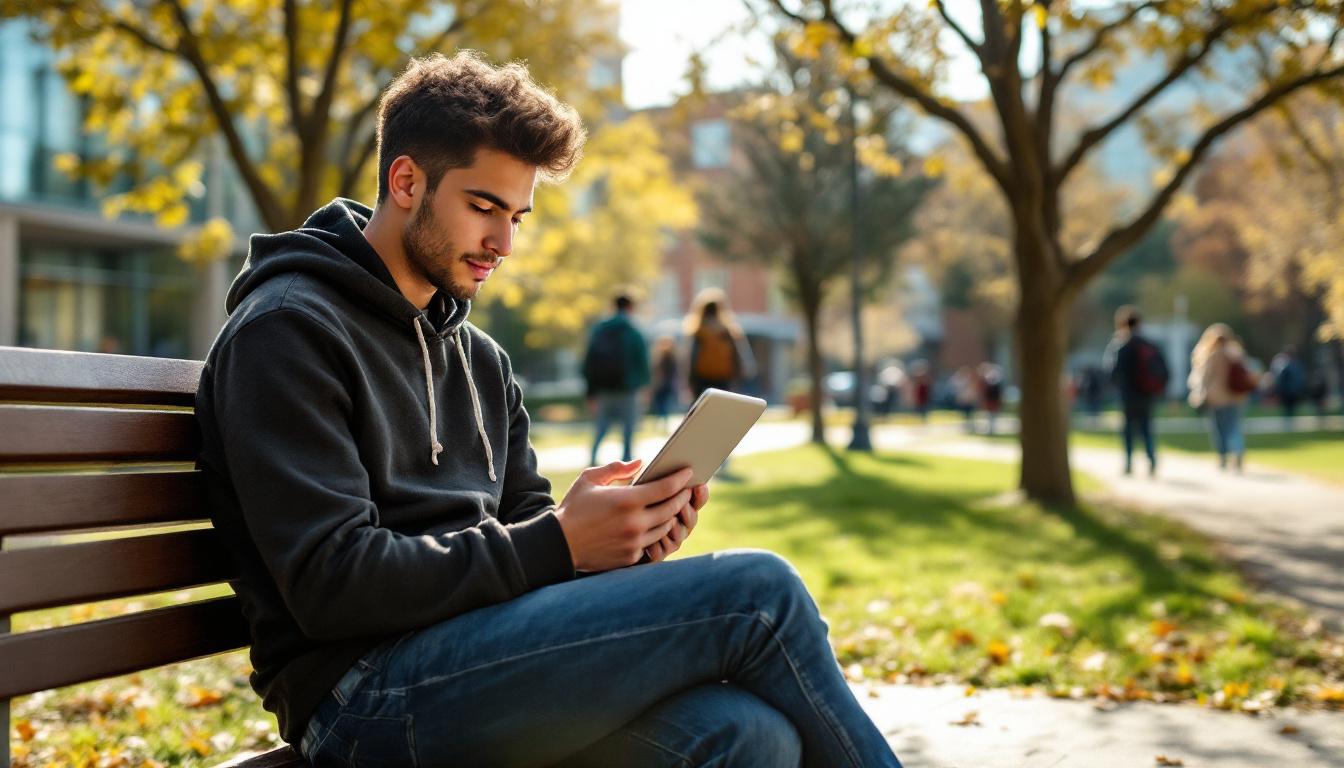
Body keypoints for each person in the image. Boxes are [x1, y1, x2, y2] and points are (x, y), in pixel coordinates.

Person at [193, 52, 901, 768]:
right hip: (362, 698)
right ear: (405, 182)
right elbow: (332, 584)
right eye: (483, 208)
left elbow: (527, 534)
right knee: (757, 593)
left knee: (746, 731)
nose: (503, 244)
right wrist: (561, 541)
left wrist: (618, 543)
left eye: (516, 216)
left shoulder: (481, 360)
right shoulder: (286, 331)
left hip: (478, 663)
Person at [582, 294, 650, 465]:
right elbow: (642, 361)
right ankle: (627, 463)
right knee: (628, 429)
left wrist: (590, 392)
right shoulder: (633, 331)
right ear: (630, 307)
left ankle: (593, 459)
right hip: (628, 389)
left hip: (604, 389)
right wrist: (645, 385)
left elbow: (589, 362)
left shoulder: (600, 330)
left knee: (601, 427)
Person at [1103, 306, 1168, 476]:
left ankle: (1128, 463)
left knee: (1128, 430)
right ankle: (1151, 458)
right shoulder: (1149, 345)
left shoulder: (1119, 346)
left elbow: (1112, 372)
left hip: (1128, 395)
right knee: (1146, 428)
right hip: (1147, 394)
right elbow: (1163, 369)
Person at [1188, 322, 1253, 473]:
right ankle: (1237, 451)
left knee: (1220, 429)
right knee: (1234, 426)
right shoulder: (1237, 354)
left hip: (1217, 398)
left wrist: (1199, 395)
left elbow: (1205, 378)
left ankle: (1223, 456)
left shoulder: (1212, 355)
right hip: (1236, 397)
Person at [684, 287, 755, 399]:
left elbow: (692, 357)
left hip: (702, 378)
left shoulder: (698, 331)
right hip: (724, 378)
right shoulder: (728, 331)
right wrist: (740, 374)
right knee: (722, 405)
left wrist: (690, 380)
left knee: (703, 406)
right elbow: (738, 355)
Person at [647, 335, 680, 431]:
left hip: (661, 385)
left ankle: (661, 422)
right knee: (663, 404)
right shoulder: (672, 356)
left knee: (661, 405)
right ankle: (663, 422)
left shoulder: (660, 356)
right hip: (667, 384)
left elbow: (655, 372)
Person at [1271, 345, 1306, 423]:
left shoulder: (1287, 366)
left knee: (1287, 412)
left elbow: (1282, 380)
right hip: (1296, 392)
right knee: (1293, 411)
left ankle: (1288, 424)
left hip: (1287, 393)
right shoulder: (1299, 365)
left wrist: (1278, 391)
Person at [979, 362, 1004, 435]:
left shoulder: (995, 385)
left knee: (993, 416)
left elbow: (998, 394)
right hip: (990, 401)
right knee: (989, 416)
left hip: (993, 400)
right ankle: (990, 429)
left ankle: (992, 429)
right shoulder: (988, 384)